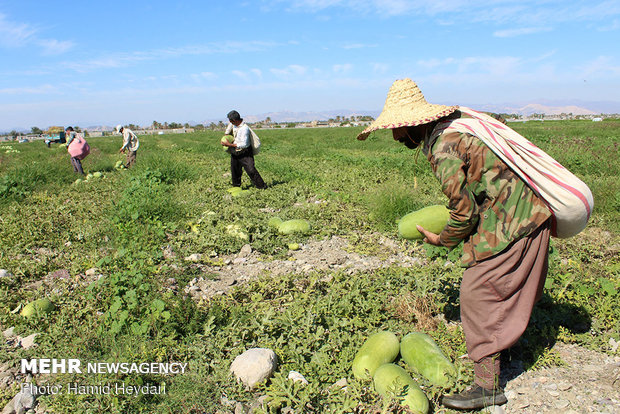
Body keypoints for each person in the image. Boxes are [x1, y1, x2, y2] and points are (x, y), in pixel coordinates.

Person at [357, 79, 553, 410]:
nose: (394, 136)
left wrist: (441, 240)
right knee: (502, 287)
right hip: (529, 214)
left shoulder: (441, 148)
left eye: (396, 129)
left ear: (411, 124)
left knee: (477, 294)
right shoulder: (453, 129)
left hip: (514, 221)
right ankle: (501, 348)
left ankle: (487, 387)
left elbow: (463, 214)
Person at [221, 110, 266, 189]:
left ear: (235, 120)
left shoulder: (244, 129)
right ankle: (236, 187)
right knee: (235, 170)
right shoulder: (234, 124)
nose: (230, 122)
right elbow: (229, 128)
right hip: (235, 151)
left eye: (231, 121)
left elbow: (244, 144)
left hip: (245, 152)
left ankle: (262, 187)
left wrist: (229, 144)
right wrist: (226, 136)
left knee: (251, 170)